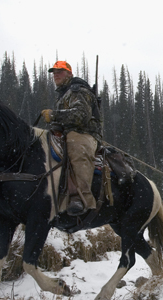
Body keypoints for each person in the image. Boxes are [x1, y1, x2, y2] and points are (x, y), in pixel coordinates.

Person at [42, 61, 102, 216]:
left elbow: (81, 116)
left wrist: (54, 115)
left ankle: (81, 198)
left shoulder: (78, 90)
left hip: (84, 134)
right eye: (54, 72)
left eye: (59, 71)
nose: (56, 75)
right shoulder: (64, 93)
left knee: (76, 146)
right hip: (65, 133)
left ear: (69, 73)